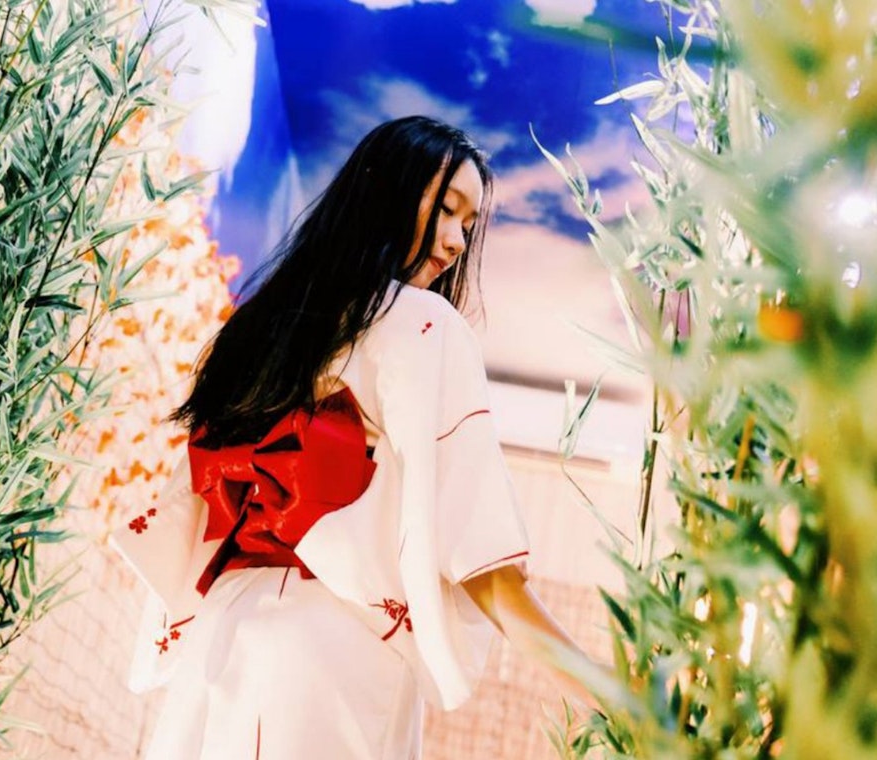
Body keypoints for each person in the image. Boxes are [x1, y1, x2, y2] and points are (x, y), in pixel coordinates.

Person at [111, 115, 599, 759]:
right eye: (447, 209)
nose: (457, 241)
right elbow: (484, 565)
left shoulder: (258, 331)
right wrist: (611, 693)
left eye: (468, 224)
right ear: (390, 189)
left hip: (220, 639)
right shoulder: (423, 325)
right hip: (330, 651)